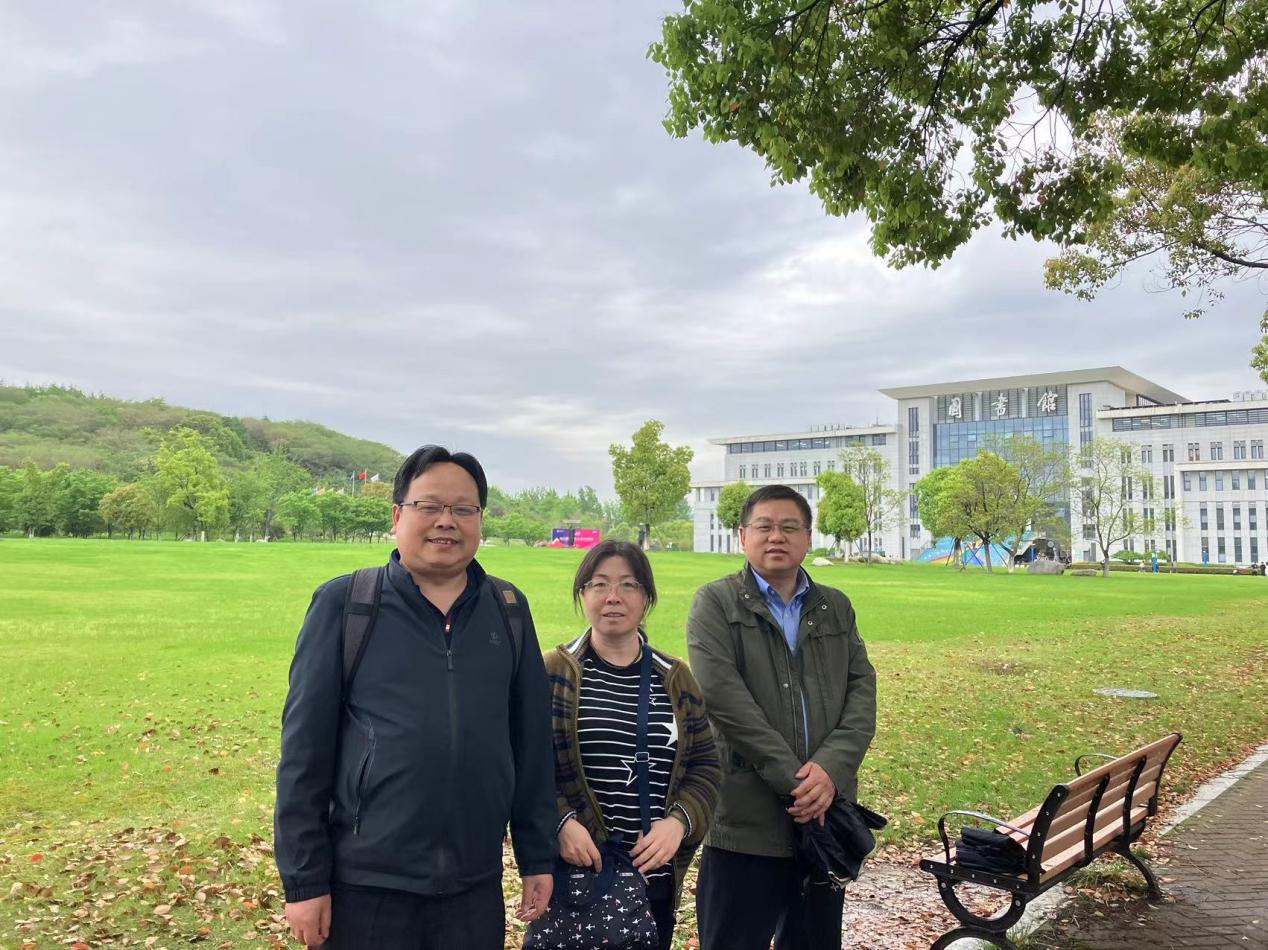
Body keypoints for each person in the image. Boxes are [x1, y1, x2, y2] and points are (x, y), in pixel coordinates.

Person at [274, 446, 557, 949]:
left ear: (479, 519)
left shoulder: (509, 610)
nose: (446, 521)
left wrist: (537, 856)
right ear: (397, 516)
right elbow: (303, 754)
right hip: (365, 885)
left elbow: (530, 743)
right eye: (429, 506)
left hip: (473, 885)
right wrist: (305, 881)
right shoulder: (347, 605)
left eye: (463, 508)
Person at [687, 484, 877, 950]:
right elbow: (724, 699)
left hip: (824, 818)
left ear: (808, 538)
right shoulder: (716, 603)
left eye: (790, 527)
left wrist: (830, 770)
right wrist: (798, 782)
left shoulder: (835, 607)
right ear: (742, 536)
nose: (777, 536)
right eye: (765, 526)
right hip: (746, 821)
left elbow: (861, 690)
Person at [545, 540, 720, 950]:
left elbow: (706, 765)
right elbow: (525, 766)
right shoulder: (553, 673)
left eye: (628, 585)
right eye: (599, 584)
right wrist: (560, 823)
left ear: (646, 598)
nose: (613, 597)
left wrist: (679, 823)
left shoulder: (674, 677)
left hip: (652, 881)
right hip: (577, 877)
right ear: (582, 594)